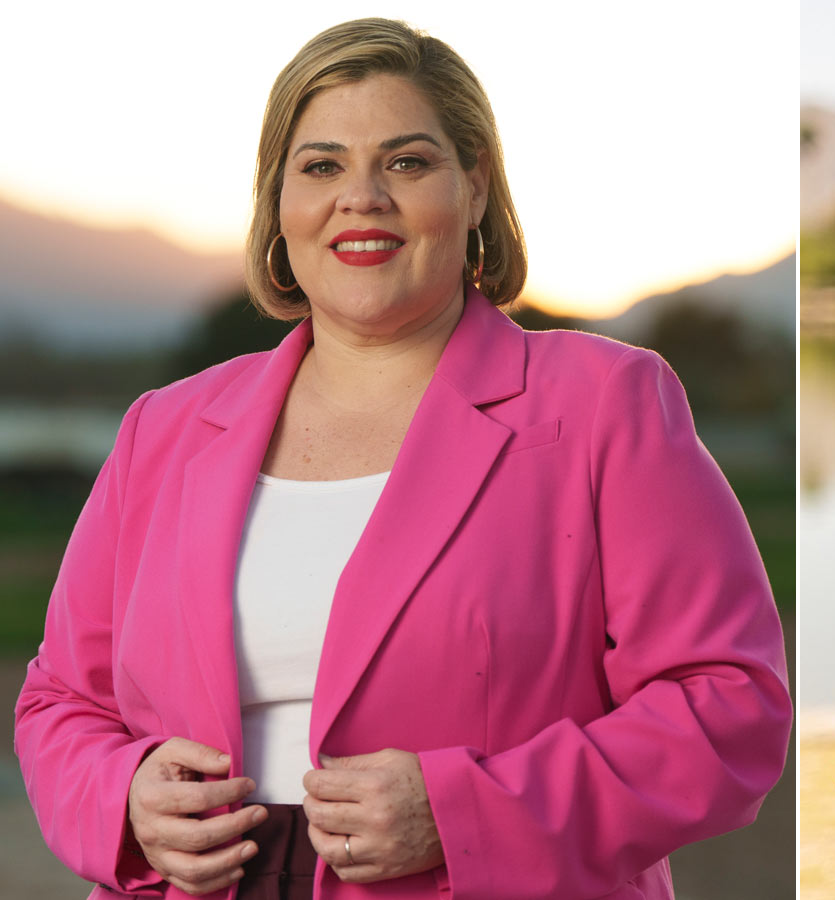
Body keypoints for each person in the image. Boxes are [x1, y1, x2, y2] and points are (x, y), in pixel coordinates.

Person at [14, 18, 791, 900]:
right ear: (278, 202)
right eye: (321, 166)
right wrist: (123, 800)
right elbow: (62, 703)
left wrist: (467, 811)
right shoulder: (165, 427)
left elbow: (730, 706)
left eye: (408, 162)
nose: (362, 196)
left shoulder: (605, 404)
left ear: (475, 187)